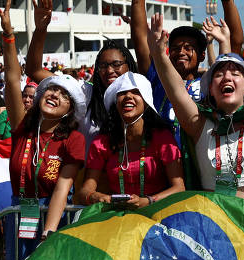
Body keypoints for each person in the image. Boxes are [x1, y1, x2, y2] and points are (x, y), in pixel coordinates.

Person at [146, 0, 244, 202]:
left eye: (235, 73)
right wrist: (159, 54)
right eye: (219, 74)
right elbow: (176, 90)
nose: (227, 77)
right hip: (212, 230)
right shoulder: (199, 124)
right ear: (211, 89)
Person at [0, 0, 86, 260]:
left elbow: (63, 188)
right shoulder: (23, 127)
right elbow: (13, 79)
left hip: (55, 216)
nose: (55, 95)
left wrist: (49, 233)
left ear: (70, 110)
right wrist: (9, 35)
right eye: (52, 89)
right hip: (20, 211)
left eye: (64, 95)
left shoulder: (74, 139)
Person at [26, 0, 137, 153]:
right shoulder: (85, 94)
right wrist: (41, 29)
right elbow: (34, 70)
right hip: (85, 176)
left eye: (116, 64)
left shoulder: (141, 97)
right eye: (103, 65)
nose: (110, 70)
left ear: (129, 66)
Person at [76, 72, 185, 208]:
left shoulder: (163, 138)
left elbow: (179, 188)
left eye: (136, 92)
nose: (128, 96)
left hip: (156, 213)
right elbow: (84, 191)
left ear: (146, 102)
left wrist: (148, 201)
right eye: (122, 93)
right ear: (116, 103)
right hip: (116, 216)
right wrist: (98, 197)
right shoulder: (102, 142)